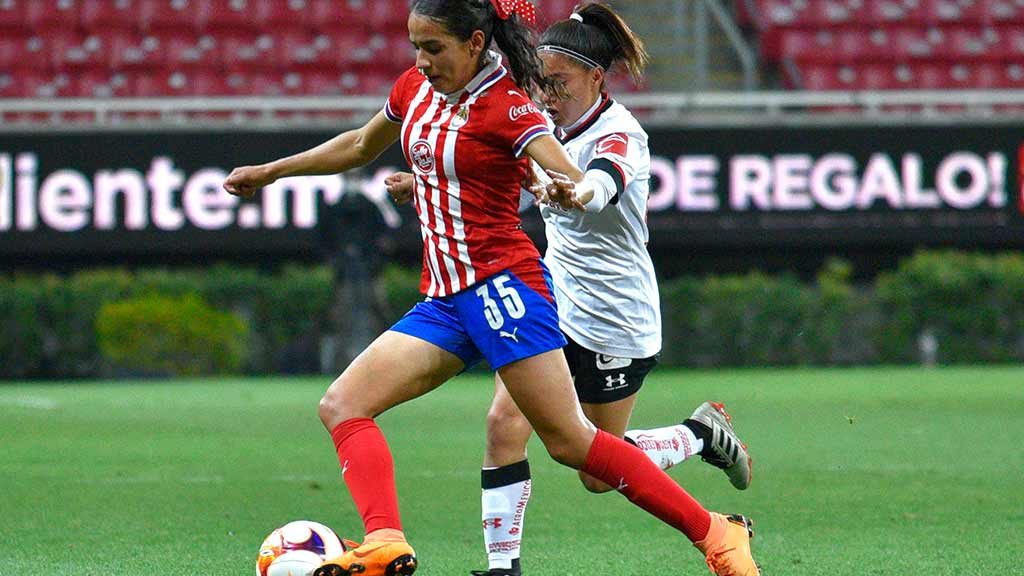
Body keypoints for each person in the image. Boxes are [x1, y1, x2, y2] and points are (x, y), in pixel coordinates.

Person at [223, 2, 760, 576]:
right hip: (446, 301)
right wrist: (271, 171)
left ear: (476, 42)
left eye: (434, 48)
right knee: (343, 405)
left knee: (573, 446)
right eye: (416, 47)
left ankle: (715, 533)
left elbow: (567, 174)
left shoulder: (508, 105)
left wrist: (572, 189)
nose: (421, 61)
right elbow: (359, 145)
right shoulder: (415, 89)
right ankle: (385, 540)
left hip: (505, 292)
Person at [384, 5, 755, 575]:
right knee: (503, 425)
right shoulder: (540, 125)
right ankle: (502, 566)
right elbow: (502, 177)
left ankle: (698, 435)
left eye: (558, 84)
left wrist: (574, 193)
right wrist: (427, 180)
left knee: (593, 471)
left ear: (595, 79)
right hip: (551, 300)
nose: (546, 96)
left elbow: (600, 186)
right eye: (540, 84)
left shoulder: (621, 133)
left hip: (616, 317)